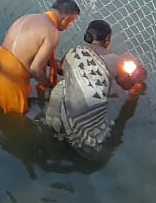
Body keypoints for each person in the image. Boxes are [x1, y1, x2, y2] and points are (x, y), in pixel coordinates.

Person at [44, 20, 146, 158]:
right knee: (114, 138)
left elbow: (62, 69)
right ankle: (85, 138)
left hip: (57, 116)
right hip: (85, 131)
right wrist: (138, 75)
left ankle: (59, 134)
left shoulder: (74, 52)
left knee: (64, 86)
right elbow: (126, 85)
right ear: (108, 39)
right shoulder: (115, 60)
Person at [0, 0, 81, 116]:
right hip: (11, 78)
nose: (70, 25)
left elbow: (25, 50)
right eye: (72, 21)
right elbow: (35, 69)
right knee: (15, 122)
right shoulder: (52, 32)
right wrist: (49, 86)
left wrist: (53, 64)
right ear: (65, 18)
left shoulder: (28, 17)